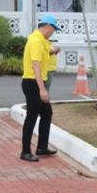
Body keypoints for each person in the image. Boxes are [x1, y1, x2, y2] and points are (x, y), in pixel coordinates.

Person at [20, 15, 61, 162]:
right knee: (31, 116)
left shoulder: (41, 40)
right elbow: (35, 64)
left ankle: (42, 147)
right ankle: (25, 151)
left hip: (36, 82)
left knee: (47, 113)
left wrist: (54, 50)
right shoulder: (36, 40)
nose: (53, 32)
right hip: (33, 83)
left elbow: (47, 51)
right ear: (47, 26)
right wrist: (42, 89)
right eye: (53, 29)